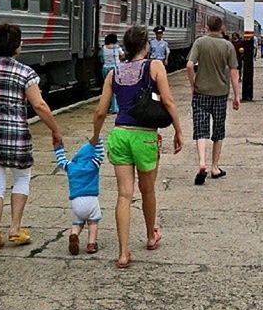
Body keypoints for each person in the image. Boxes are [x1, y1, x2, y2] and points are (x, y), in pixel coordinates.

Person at [0, 23, 63, 252]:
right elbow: (38, 105)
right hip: (16, 136)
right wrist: (55, 130)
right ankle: (15, 228)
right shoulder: (25, 73)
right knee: (21, 180)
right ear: (17, 46)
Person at [92, 25, 184, 269]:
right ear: (145, 45)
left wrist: (94, 137)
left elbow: (101, 110)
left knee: (124, 194)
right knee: (148, 191)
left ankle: (123, 252)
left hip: (120, 135)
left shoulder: (114, 73)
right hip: (144, 137)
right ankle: (151, 236)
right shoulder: (155, 67)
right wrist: (178, 130)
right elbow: (168, 100)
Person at [186, 15, 240, 185]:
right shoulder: (228, 45)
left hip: (201, 92)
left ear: (207, 27)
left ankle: (202, 162)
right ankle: (215, 167)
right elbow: (233, 71)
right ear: (222, 27)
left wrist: (193, 84)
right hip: (220, 94)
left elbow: (189, 65)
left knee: (200, 128)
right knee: (218, 130)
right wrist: (236, 95)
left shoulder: (200, 43)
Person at [54, 138, 104, 255]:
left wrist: (58, 148)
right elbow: (100, 155)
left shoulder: (71, 166)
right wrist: (97, 140)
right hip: (91, 199)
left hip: (76, 201)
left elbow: (61, 161)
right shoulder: (93, 164)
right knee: (93, 223)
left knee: (77, 223)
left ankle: (74, 235)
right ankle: (91, 244)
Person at [101, 33, 124, 114]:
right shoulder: (117, 48)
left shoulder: (104, 48)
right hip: (115, 69)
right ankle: (114, 108)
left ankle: (106, 107)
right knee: (115, 88)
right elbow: (122, 56)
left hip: (105, 68)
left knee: (107, 88)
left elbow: (102, 57)